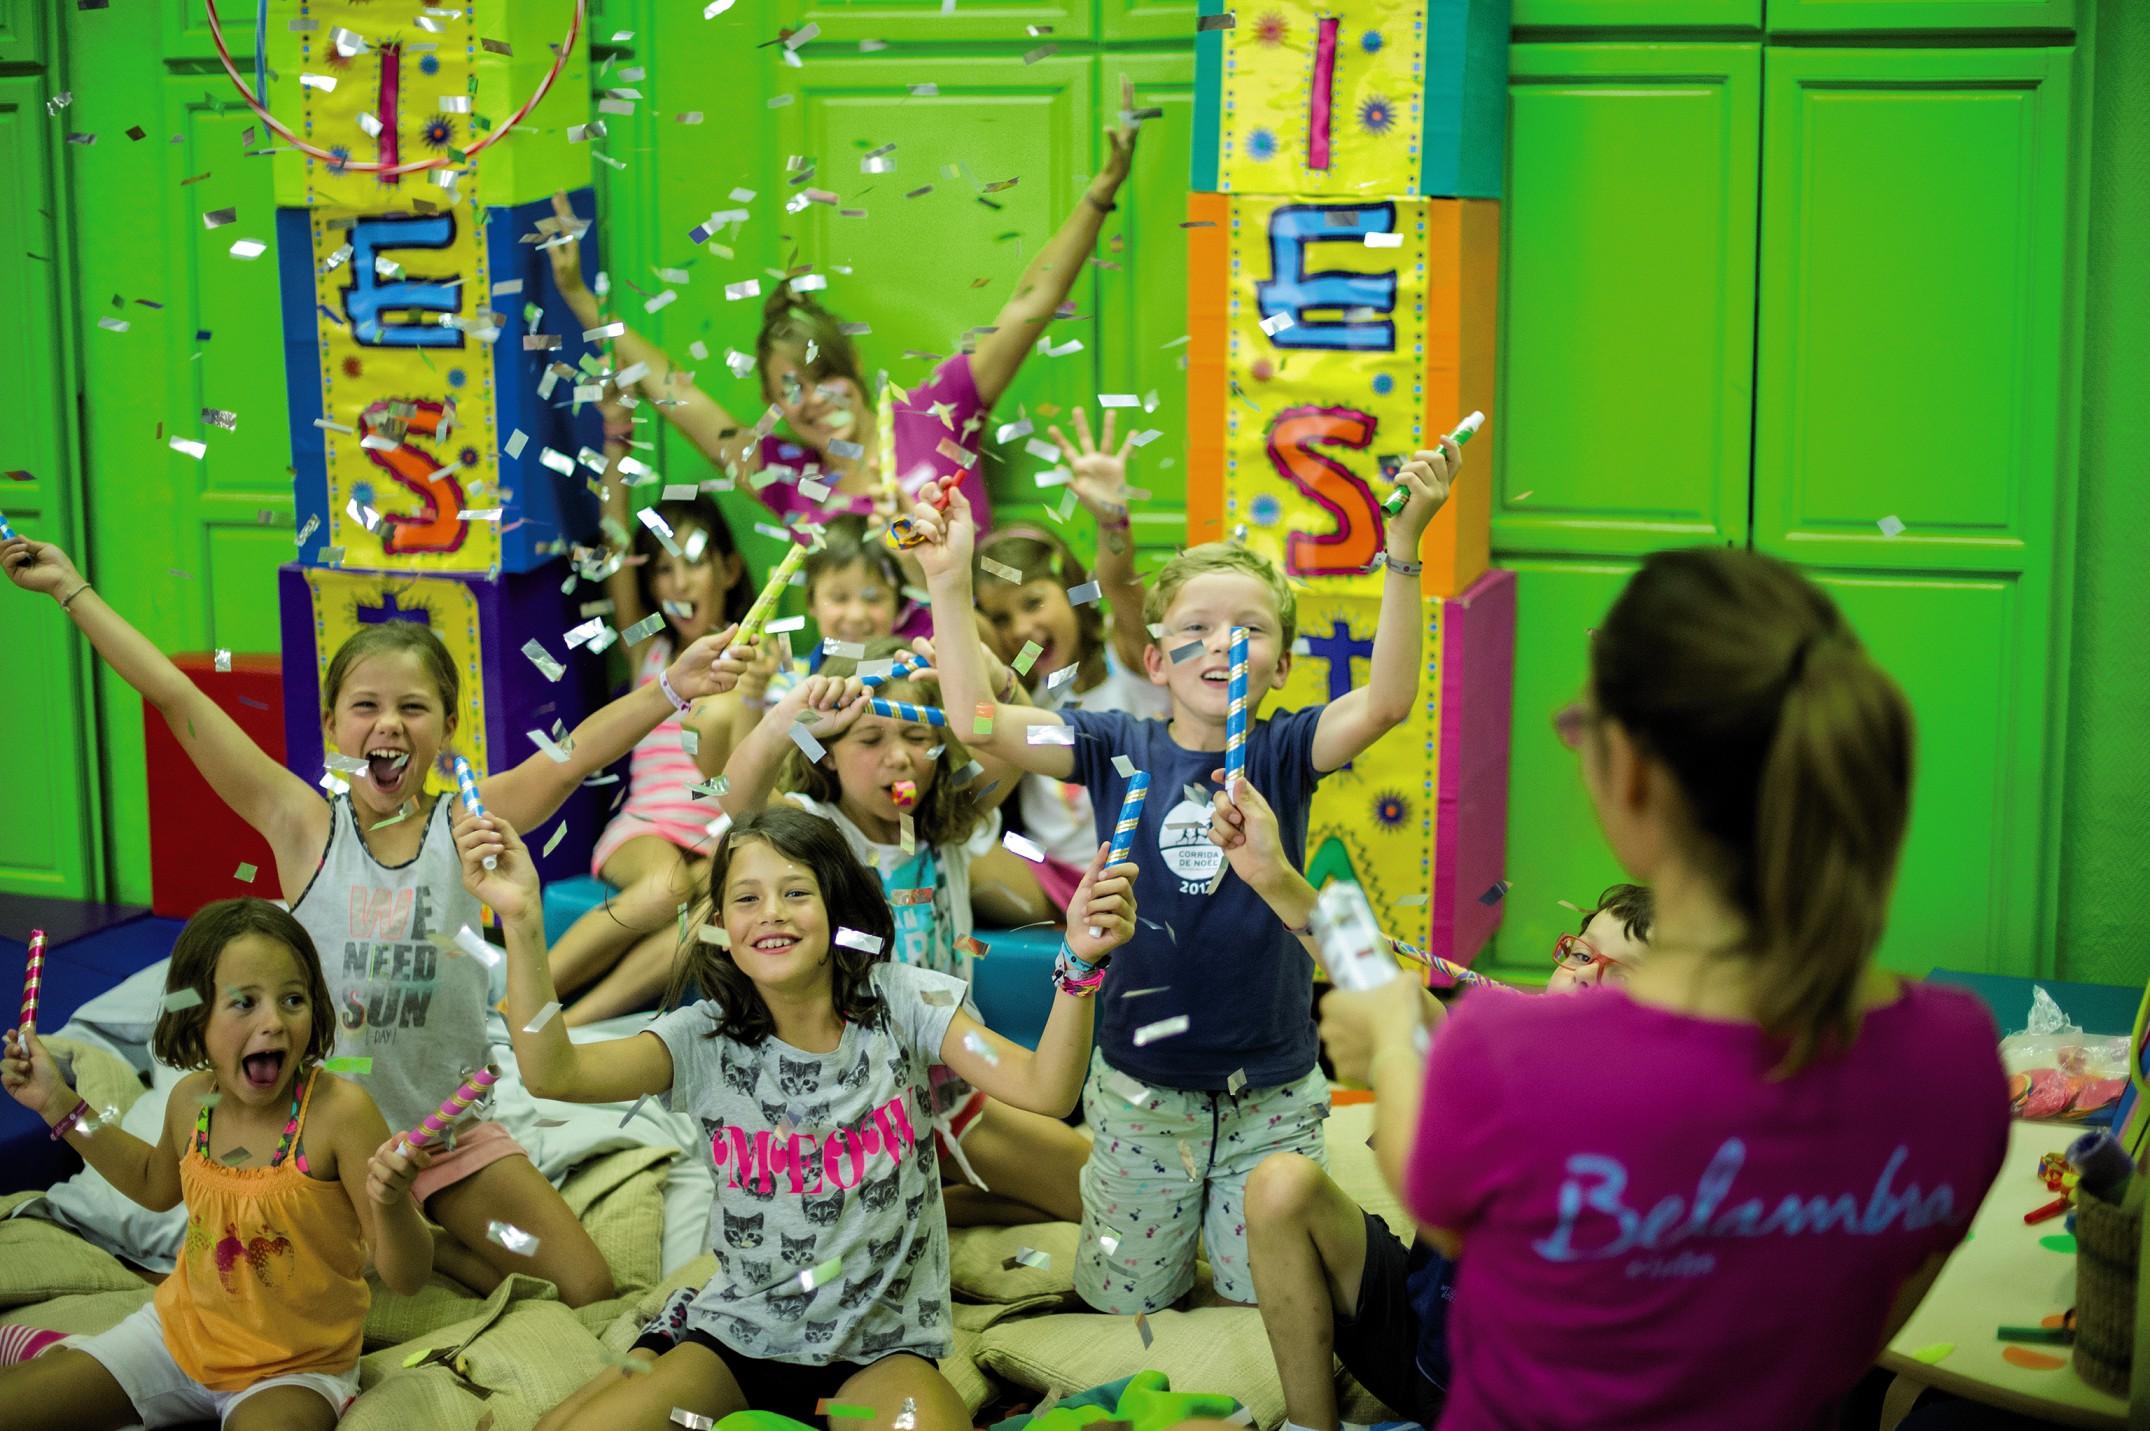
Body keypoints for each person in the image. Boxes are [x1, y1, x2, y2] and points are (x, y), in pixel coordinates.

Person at [1319, 547, 2012, 1430]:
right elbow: (1856, 1332)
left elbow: (1436, 1200)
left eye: (1581, 729)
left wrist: (1385, 1033)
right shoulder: (1960, 1061)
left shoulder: (1508, 1054)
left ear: (1634, 773)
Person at [2, 533, 755, 1304]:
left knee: (588, 1285)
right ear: (332, 726)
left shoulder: (471, 818)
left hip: (449, 1136)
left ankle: (434, 1243)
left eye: (412, 707)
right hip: (326, 1147)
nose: (388, 724)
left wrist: (673, 689)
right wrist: (71, 589)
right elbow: (175, 697)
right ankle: (413, 1248)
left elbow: (570, 756)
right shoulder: (301, 824)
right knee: (345, 1268)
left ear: (449, 727)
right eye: (366, 706)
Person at [904, 434, 1462, 1314]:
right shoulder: (1110, 744)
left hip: (1272, 1094)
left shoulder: (1287, 748)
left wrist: (1404, 550)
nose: (1223, 646)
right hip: (1138, 1098)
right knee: (1126, 1308)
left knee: (1263, 1306)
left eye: (1250, 631)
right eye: (1195, 631)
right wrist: (948, 580)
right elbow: (979, 723)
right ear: (1157, 661)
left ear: (1281, 665)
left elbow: (1389, 700)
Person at [449, 805, 1134, 1431]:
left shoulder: (909, 1000)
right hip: (737, 1338)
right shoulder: (701, 1037)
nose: (770, 912)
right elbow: (552, 1072)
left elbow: (1046, 1088)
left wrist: (1078, 964)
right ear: (721, 922)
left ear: (839, 904)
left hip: (876, 1352)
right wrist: (523, 919)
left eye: (796, 892)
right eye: (746, 898)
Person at [1212, 775, 1656, 1431]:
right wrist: (1275, 877)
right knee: (1281, 1184)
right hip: (1419, 1344)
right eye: (1581, 952)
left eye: (1623, 970)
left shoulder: (1666, 1119)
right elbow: (1393, 991)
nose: (1588, 972)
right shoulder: (1505, 1050)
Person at [539, 105, 1145, 534]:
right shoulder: (784, 474)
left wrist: (1102, 191)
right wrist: (582, 303)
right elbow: (678, 390)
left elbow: (1027, 309)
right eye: (788, 390)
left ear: (852, 366)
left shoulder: (937, 410)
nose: (811, 400)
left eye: (821, 374)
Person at [0, 900, 433, 1429]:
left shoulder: (341, 1114)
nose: (273, 1022)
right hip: (174, 1335)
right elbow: (150, 1183)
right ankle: (68, 1353)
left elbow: (407, 1276)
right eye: (244, 1003)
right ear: (196, 1016)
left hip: (294, 1370)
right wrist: (57, 1103)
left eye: (292, 999)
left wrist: (390, 1206)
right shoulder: (191, 1101)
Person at [719, 637, 1079, 1223]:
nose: (900, 758)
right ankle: (919, 1197)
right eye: (871, 739)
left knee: (1100, 1193)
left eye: (918, 737)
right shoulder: (814, 834)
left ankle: (936, 1199)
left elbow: (1020, 741)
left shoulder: (946, 821)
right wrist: (788, 717)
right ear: (826, 751)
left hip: (950, 1087)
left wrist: (1001, 684)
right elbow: (733, 801)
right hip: (854, 1107)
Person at [547, 394, 760, 1026]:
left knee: (707, 913)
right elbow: (616, 546)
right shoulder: (656, 651)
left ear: (729, 567)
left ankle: (577, 1025)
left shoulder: (763, 663)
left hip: (717, 841)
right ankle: (523, 1000)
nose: (678, 583)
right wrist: (616, 445)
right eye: (663, 569)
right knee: (671, 886)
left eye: (693, 564)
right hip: (645, 831)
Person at [976, 408, 1170, 909]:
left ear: (1074, 593)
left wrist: (1112, 522)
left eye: (1034, 602)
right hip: (1047, 874)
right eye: (1000, 619)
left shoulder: (1126, 658)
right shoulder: (1019, 687)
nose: (1020, 629)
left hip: (1135, 876)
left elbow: (1122, 590)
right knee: (946, 853)